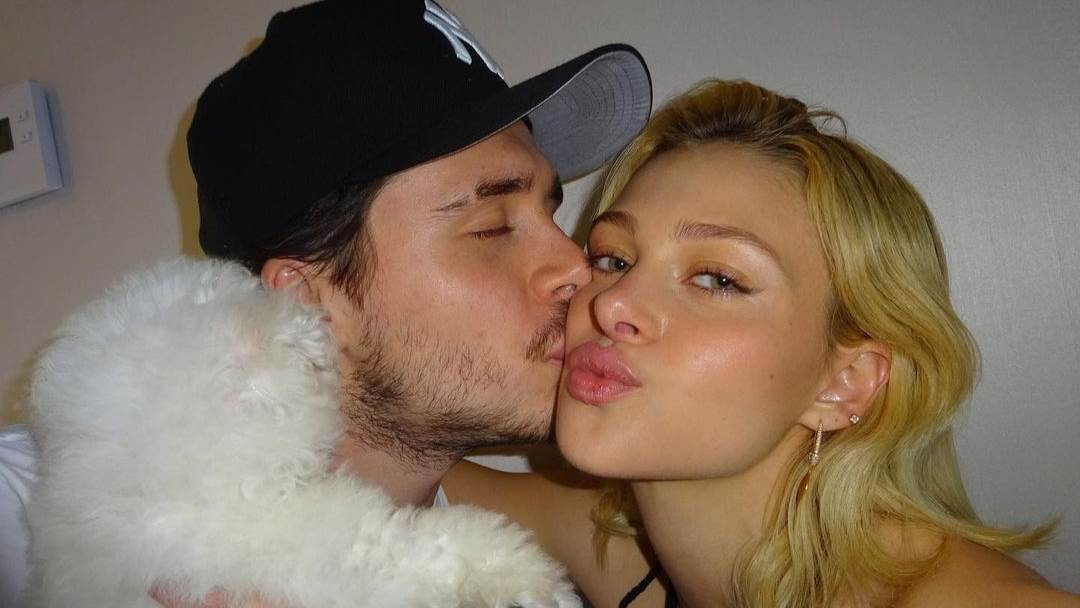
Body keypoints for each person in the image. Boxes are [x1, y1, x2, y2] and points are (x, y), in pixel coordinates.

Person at [8, 0, 652, 605]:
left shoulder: (496, 577)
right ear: (308, 301)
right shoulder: (30, 511)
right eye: (491, 227)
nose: (576, 267)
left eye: (549, 212)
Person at [445, 79, 1080, 607]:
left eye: (717, 279)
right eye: (613, 258)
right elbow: (396, 460)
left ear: (846, 382)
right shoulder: (618, 542)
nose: (609, 304)